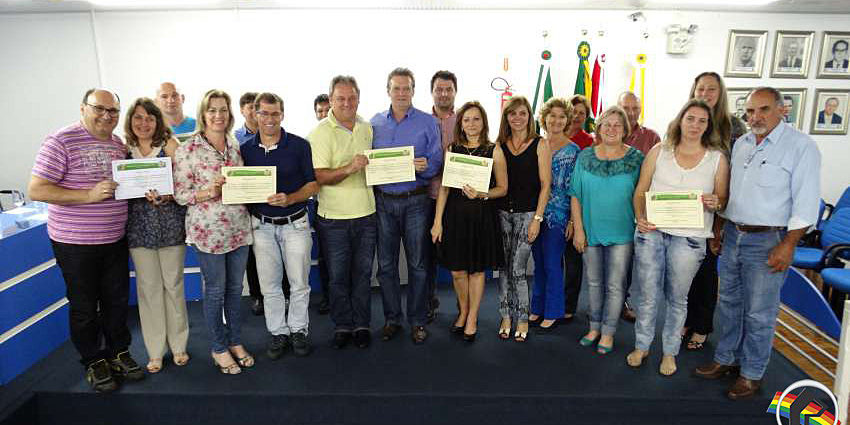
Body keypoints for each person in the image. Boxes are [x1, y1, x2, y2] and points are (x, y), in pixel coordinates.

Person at [694, 87, 821, 400]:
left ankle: (751, 374)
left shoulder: (801, 147)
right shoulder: (743, 144)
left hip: (769, 239)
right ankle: (726, 359)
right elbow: (734, 193)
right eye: (750, 111)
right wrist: (720, 227)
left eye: (763, 109)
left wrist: (789, 244)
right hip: (734, 234)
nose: (755, 117)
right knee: (729, 304)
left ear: (782, 109)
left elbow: (806, 203)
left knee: (759, 312)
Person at [29, 88, 144, 392]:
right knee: (84, 307)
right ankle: (94, 360)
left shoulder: (118, 144)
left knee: (116, 302)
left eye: (113, 111)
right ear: (83, 108)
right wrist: (88, 196)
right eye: (99, 108)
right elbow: (37, 189)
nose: (107, 116)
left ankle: (118, 352)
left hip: (114, 239)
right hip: (75, 243)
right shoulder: (60, 141)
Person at [628, 99, 729, 376]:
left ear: (708, 126)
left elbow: (722, 199)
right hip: (652, 232)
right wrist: (640, 216)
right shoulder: (659, 151)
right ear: (680, 120)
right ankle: (642, 346)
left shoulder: (717, 159)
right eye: (690, 118)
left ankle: (669, 352)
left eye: (702, 121)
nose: (695, 125)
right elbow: (640, 191)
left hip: (691, 239)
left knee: (678, 298)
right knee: (647, 295)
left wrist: (716, 202)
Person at [173, 89, 253, 375]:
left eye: (223, 109)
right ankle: (219, 347)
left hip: (238, 228)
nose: (218, 115)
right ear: (203, 114)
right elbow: (181, 195)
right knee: (216, 291)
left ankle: (235, 341)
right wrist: (210, 191)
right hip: (208, 233)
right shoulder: (188, 150)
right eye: (212, 110)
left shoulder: (234, 145)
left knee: (235, 289)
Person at [241, 92, 318, 360]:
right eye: (264, 113)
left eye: (275, 113)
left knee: (299, 282)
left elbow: (312, 185)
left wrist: (291, 198)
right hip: (261, 227)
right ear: (255, 115)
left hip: (295, 223)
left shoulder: (299, 145)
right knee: (269, 285)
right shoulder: (246, 149)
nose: (270, 119)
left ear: (282, 114)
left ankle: (298, 329)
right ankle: (278, 332)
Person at [370, 67, 443, 345]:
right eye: (396, 88)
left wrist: (426, 167)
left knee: (418, 264)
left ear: (413, 91)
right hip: (383, 202)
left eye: (406, 88)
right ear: (388, 90)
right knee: (386, 265)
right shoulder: (374, 123)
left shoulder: (428, 123)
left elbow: (436, 161)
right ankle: (392, 319)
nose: (401, 93)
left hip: (416, 201)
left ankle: (418, 320)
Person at [308, 75, 377, 350]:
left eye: (351, 97)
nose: (346, 103)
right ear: (331, 100)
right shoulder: (319, 133)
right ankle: (342, 325)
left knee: (362, 275)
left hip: (367, 214)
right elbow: (319, 176)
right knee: (337, 277)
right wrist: (350, 168)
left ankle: (361, 324)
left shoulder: (367, 127)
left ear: (358, 98)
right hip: (334, 219)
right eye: (340, 98)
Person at [569, 106, 644, 355]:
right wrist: (578, 229)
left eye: (617, 125)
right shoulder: (585, 157)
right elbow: (575, 195)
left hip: (623, 232)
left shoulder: (637, 159)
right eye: (607, 124)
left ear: (625, 129)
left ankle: (609, 332)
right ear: (599, 128)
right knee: (593, 283)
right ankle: (594, 328)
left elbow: (644, 193)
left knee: (615, 285)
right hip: (590, 231)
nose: (612, 129)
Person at [431, 101, 507, 342]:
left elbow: (502, 188)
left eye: (476, 119)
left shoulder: (494, 150)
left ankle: (472, 317)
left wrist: (483, 193)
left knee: (476, 270)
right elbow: (444, 188)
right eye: (466, 120)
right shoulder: (452, 149)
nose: (471, 124)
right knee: (457, 271)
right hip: (454, 217)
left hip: (481, 218)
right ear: (460, 124)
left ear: (483, 122)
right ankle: (463, 311)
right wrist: (437, 221)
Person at [123, 98, 189, 374]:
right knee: (148, 290)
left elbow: (185, 185)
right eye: (138, 118)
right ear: (130, 121)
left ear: (157, 121)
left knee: (173, 286)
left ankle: (179, 345)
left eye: (150, 118)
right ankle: (155, 350)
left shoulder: (171, 146)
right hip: (139, 230)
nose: (144, 123)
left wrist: (167, 195)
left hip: (170, 226)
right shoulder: (123, 151)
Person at [683, 71, 748, 351]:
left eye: (711, 89)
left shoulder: (733, 127)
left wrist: (720, 221)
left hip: (718, 210)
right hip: (688, 210)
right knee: (685, 271)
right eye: (700, 88)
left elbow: (738, 175)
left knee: (707, 271)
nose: (705, 94)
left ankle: (701, 326)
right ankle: (687, 320)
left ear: (720, 93)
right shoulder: (688, 120)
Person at [495, 96, 552, 342]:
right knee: (503, 268)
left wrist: (537, 218)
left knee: (517, 269)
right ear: (506, 117)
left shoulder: (540, 144)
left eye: (522, 113)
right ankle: (505, 316)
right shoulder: (499, 144)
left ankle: (521, 318)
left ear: (529, 116)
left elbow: (546, 184)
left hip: (529, 214)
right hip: (501, 214)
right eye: (512, 113)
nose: (517, 118)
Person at [528, 98, 580, 332]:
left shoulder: (574, 151)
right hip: (535, 212)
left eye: (562, 116)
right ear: (544, 118)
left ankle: (553, 311)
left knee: (552, 263)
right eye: (552, 116)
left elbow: (575, 189)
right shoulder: (537, 144)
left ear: (567, 120)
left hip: (559, 216)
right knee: (538, 263)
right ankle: (537, 307)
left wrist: (572, 220)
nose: (556, 120)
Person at [616, 91, 662, 322]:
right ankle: (611, 302)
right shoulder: (608, 132)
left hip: (641, 209)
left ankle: (624, 302)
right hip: (613, 207)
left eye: (635, 108)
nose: (631, 113)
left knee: (636, 261)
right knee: (614, 260)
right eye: (626, 108)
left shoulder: (652, 138)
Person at [426, 70, 458, 323]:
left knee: (460, 256)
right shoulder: (421, 121)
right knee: (426, 257)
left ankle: (463, 308)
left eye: (448, 89)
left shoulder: (467, 120)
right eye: (439, 89)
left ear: (455, 92)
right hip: (427, 197)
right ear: (432, 92)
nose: (444, 94)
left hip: (458, 199)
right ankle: (428, 303)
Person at [234, 91, 266, 316]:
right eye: (250, 107)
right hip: (245, 203)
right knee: (252, 255)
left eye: (257, 107)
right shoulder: (234, 138)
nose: (254, 111)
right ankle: (257, 296)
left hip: (269, 200)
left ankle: (280, 294)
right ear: (242, 110)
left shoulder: (271, 132)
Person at [562, 94, 594, 321]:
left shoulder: (589, 142)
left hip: (578, 206)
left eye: (581, 113)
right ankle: (553, 302)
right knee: (554, 262)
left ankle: (569, 305)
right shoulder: (554, 136)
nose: (576, 116)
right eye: (573, 111)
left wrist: (575, 218)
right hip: (555, 207)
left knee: (573, 261)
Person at [311, 93, 332, 315]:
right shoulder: (311, 140)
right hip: (322, 207)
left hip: (348, 208)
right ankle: (328, 297)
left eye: (327, 110)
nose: (324, 114)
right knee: (325, 257)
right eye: (320, 111)